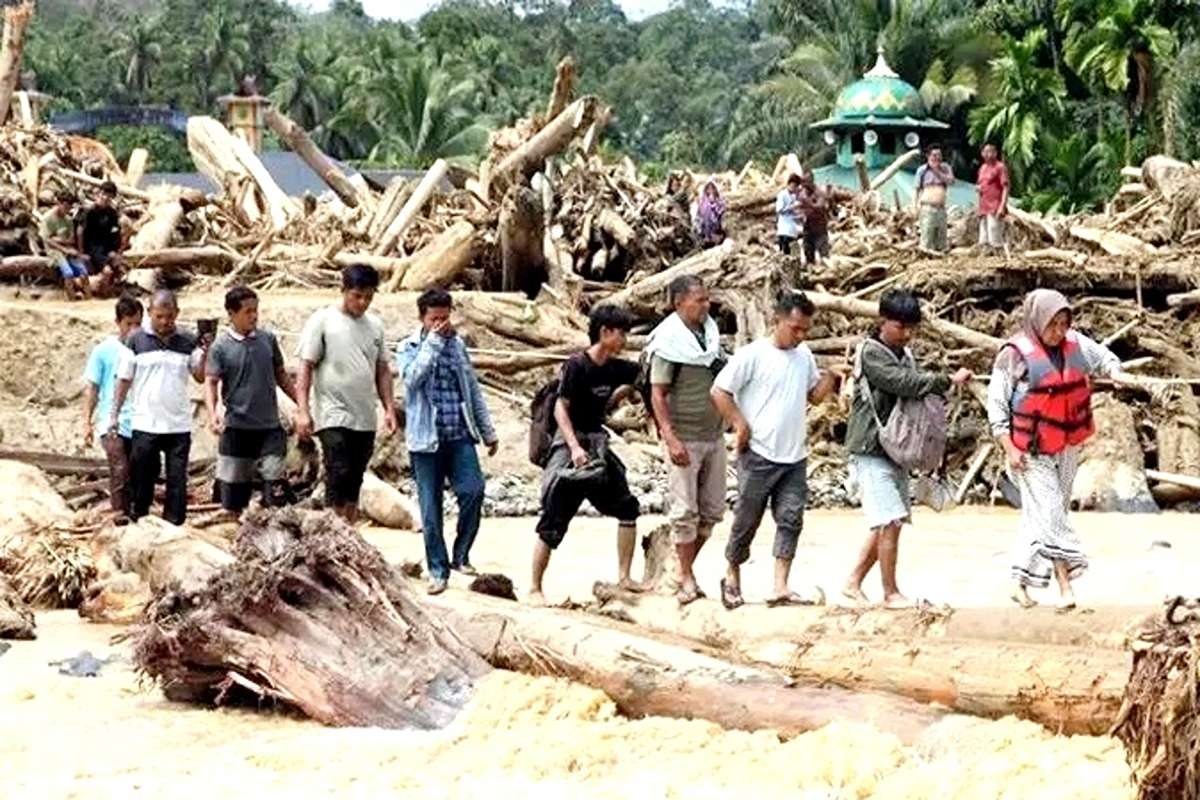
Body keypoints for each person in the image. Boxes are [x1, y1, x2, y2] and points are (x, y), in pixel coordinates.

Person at [988, 289, 1145, 610]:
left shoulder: (1074, 343)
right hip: (1029, 451)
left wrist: (1115, 373)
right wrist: (1009, 448)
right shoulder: (1012, 356)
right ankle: (1065, 587)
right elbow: (996, 407)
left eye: (1063, 323)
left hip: (1065, 446)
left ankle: (1019, 584)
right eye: (1052, 325)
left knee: (1042, 516)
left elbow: (1103, 357)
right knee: (1051, 513)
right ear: (1036, 322)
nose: (1059, 332)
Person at [710, 290, 841, 610]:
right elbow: (720, 391)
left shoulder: (804, 355)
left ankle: (780, 585)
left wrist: (832, 377)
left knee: (791, 518)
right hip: (758, 452)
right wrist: (739, 424)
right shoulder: (752, 355)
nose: (800, 335)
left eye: (805, 330)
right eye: (795, 328)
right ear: (777, 321)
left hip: (794, 454)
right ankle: (732, 575)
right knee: (747, 518)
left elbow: (814, 397)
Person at [842, 290, 973, 609]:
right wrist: (946, 380)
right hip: (871, 447)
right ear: (883, 321)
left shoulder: (904, 353)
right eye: (901, 327)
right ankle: (890, 593)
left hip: (893, 449)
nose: (907, 334)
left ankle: (852, 583)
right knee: (890, 521)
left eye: (910, 328)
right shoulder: (871, 353)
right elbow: (902, 383)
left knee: (889, 520)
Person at [529, 304, 643, 605]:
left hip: (597, 443)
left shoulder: (617, 367)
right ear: (605, 333)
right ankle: (534, 587)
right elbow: (560, 408)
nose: (625, 340)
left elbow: (647, 372)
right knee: (553, 516)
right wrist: (574, 448)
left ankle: (624, 576)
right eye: (621, 334)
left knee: (628, 508)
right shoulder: (577, 365)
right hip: (571, 442)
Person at [397, 289, 498, 595]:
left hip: (459, 435)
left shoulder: (458, 347)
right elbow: (412, 379)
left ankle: (461, 555)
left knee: (474, 491)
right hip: (426, 440)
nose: (441, 324)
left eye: (445, 317)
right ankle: (437, 569)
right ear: (422, 319)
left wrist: (488, 431)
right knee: (430, 509)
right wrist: (433, 343)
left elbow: (472, 390)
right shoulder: (409, 346)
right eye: (434, 319)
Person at [645, 275, 726, 605]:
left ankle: (681, 569)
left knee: (712, 511)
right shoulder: (669, 341)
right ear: (679, 303)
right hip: (685, 436)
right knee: (684, 512)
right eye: (699, 300)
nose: (705, 306)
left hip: (713, 434)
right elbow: (658, 393)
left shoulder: (709, 335)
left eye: (707, 299)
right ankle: (686, 577)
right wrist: (670, 437)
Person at [295, 264, 397, 523]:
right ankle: (332, 529)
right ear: (343, 290)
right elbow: (305, 366)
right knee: (337, 471)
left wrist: (388, 408)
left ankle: (348, 530)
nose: (362, 302)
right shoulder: (323, 320)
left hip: (364, 415)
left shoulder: (375, 325)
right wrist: (303, 411)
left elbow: (382, 369)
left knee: (355, 477)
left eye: (368, 297)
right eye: (357, 295)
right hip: (333, 412)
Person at [110, 290, 209, 526]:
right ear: (150, 313)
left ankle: (174, 525)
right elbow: (124, 380)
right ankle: (139, 519)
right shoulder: (135, 340)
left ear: (177, 314)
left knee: (177, 479)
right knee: (142, 476)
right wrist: (114, 414)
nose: (165, 322)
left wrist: (205, 352)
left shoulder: (187, 341)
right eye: (159, 316)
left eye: (170, 316)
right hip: (145, 422)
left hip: (178, 424)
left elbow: (199, 376)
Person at [204, 287, 298, 514]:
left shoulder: (267, 340)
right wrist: (212, 414)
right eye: (248, 312)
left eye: (256, 311)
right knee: (233, 500)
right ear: (231, 314)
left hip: (270, 428)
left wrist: (301, 404)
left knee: (275, 488)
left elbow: (281, 375)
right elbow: (210, 382)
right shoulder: (220, 347)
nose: (254, 316)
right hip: (237, 429)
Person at [82, 296, 143, 519]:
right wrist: (86, 423)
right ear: (118, 322)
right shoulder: (103, 351)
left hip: (140, 422)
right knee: (119, 470)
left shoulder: (145, 349)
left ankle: (137, 515)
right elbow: (92, 388)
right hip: (111, 422)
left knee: (140, 471)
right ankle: (120, 518)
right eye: (129, 324)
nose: (134, 330)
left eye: (138, 324)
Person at [77, 181, 125, 297]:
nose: (106, 198)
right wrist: (81, 252)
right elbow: (80, 232)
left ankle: (108, 288)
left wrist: (116, 249)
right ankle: (103, 293)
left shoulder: (112, 213)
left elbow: (115, 231)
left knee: (119, 264)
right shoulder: (90, 212)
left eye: (109, 196)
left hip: (106, 247)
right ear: (99, 194)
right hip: (93, 248)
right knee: (107, 271)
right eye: (104, 194)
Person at [41, 190, 90, 300]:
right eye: (66, 206)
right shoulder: (48, 218)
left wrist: (58, 240)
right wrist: (63, 246)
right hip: (54, 252)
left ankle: (89, 298)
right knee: (68, 273)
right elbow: (46, 240)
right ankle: (71, 299)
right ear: (59, 203)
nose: (67, 209)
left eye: (69, 207)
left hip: (68, 250)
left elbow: (72, 240)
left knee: (83, 271)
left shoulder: (68, 219)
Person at [914, 147, 954, 253]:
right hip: (927, 207)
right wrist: (915, 205)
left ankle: (940, 257)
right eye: (934, 155)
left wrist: (936, 170)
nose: (937, 158)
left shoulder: (945, 168)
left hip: (941, 207)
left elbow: (951, 181)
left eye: (939, 155)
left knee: (941, 235)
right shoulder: (922, 170)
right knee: (927, 234)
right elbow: (917, 189)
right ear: (928, 156)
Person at [976, 143, 1010, 256]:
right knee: (983, 238)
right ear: (982, 154)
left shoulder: (1000, 167)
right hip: (983, 207)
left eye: (991, 151)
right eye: (986, 151)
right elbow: (981, 185)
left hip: (995, 206)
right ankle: (985, 261)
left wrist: (1002, 206)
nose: (988, 154)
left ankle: (999, 258)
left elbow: (1005, 187)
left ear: (996, 153)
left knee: (994, 234)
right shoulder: (982, 168)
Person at [798, 174, 831, 266]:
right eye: (803, 183)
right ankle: (810, 269)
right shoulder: (803, 193)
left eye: (806, 182)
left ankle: (826, 272)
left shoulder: (820, 192)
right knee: (808, 251)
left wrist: (808, 202)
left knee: (824, 254)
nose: (804, 185)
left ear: (811, 181)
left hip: (820, 227)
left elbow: (819, 207)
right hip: (808, 227)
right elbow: (800, 208)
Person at [776, 174, 802, 254]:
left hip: (792, 229)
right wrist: (792, 207)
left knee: (792, 252)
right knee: (784, 252)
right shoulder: (782, 195)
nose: (794, 188)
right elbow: (779, 210)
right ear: (789, 184)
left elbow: (795, 213)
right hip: (784, 229)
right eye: (793, 186)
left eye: (796, 186)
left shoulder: (794, 196)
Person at [695, 180, 726, 248]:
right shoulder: (702, 202)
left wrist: (713, 205)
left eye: (712, 188)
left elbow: (721, 212)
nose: (710, 190)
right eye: (708, 189)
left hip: (717, 229)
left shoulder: (719, 200)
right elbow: (698, 216)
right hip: (704, 229)